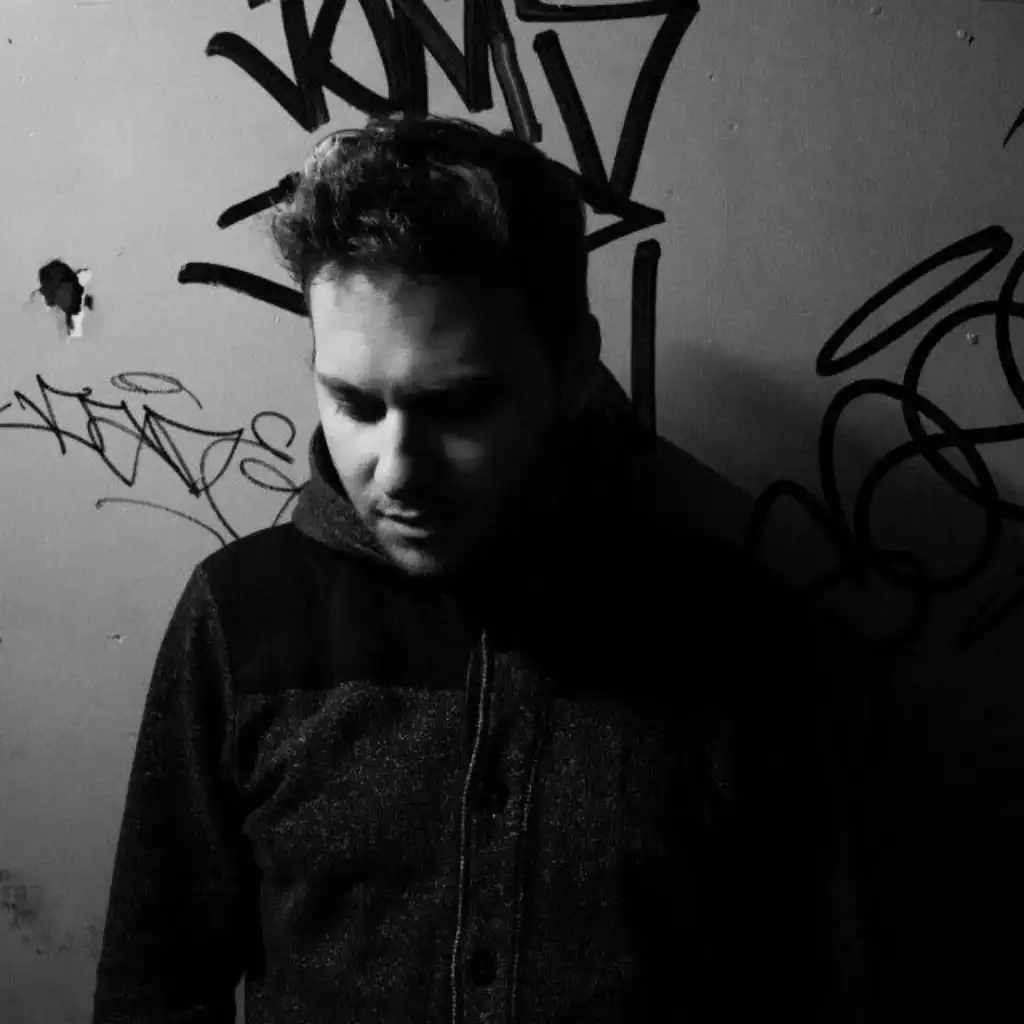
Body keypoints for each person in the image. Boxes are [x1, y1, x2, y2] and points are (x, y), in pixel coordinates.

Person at [91, 112, 869, 1023]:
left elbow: (812, 989)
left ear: (572, 370)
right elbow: (153, 987)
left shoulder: (733, 634)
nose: (396, 470)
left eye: (456, 407)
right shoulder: (239, 617)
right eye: (353, 403)